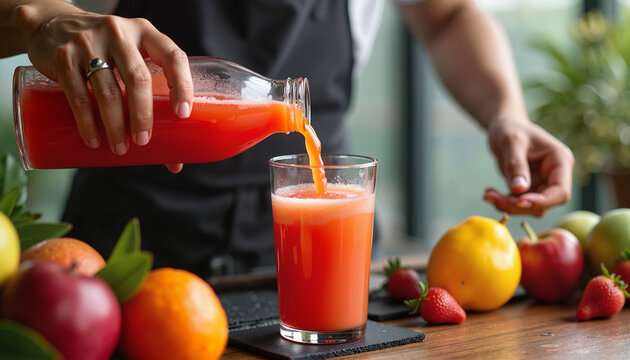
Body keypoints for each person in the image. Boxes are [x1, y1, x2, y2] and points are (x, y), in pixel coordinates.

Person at [0, 0, 574, 277]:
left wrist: (507, 111)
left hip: (321, 266)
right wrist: (38, 19)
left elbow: (447, 16)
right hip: (129, 257)